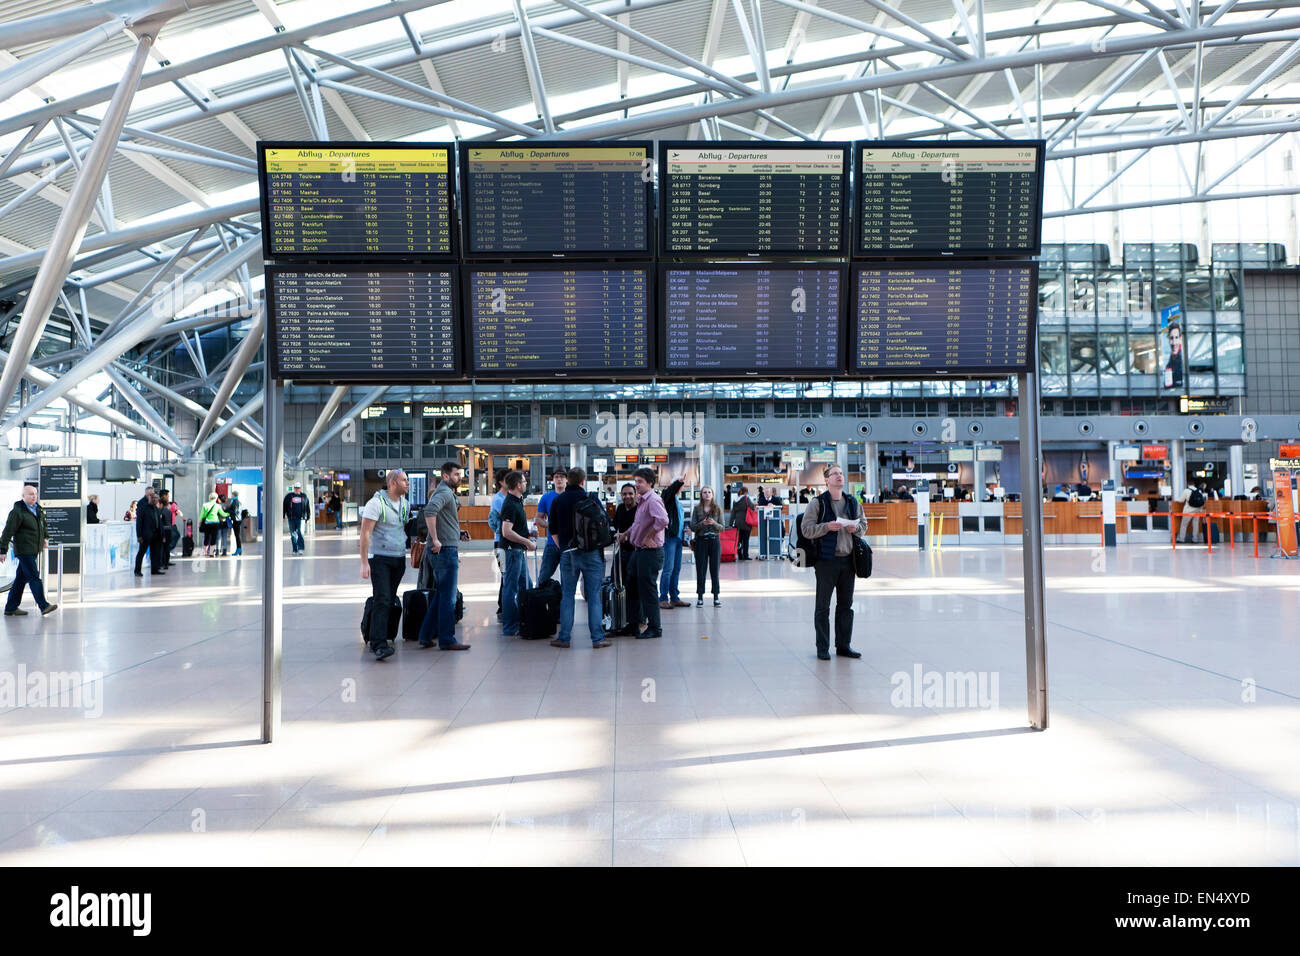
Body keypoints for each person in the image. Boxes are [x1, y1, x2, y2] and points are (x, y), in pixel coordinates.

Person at [800, 464, 867, 661]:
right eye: (834, 473)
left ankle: (844, 645)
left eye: (841, 473)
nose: (839, 476)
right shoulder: (817, 503)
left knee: (846, 605)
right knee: (823, 606)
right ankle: (823, 647)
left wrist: (857, 529)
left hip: (849, 561)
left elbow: (864, 525)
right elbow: (806, 529)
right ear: (826, 480)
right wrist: (827, 527)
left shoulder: (853, 502)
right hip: (826, 561)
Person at [547, 467, 612, 649]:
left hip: (568, 554)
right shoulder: (591, 499)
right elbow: (605, 523)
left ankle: (565, 637)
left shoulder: (558, 501)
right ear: (583, 481)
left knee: (567, 596)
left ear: (568, 480)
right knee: (593, 597)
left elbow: (553, 530)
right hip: (591, 553)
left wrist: (564, 548)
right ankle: (598, 639)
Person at [359, 468, 411, 661]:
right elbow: (365, 533)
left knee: (388, 599)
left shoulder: (405, 504)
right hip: (380, 558)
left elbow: (402, 528)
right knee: (382, 598)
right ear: (392, 483)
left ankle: (381, 634)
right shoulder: (375, 503)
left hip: (398, 559)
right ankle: (378, 644)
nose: (407, 483)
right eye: (404, 480)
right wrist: (364, 562)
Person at [418, 462, 470, 651]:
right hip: (444, 551)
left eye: (460, 474)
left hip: (447, 546)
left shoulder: (447, 492)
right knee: (448, 598)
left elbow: (443, 518)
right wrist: (436, 539)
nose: (459, 477)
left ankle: (425, 634)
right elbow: (430, 511)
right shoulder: (445, 492)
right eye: (456, 474)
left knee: (442, 595)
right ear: (446, 476)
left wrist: (457, 533)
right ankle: (447, 639)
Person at [622, 467, 668, 639]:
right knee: (632, 586)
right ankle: (634, 623)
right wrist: (626, 534)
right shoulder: (642, 500)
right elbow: (638, 524)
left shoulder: (653, 500)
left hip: (650, 552)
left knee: (648, 590)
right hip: (638, 551)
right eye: (636, 481)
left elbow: (663, 520)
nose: (637, 485)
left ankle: (655, 627)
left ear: (650, 483)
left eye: (640, 482)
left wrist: (650, 536)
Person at [2, 484, 58, 617]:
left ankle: (11, 607)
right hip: (24, 549)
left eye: (35, 494)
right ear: (23, 496)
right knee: (33, 576)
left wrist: (45, 537)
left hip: (34, 549)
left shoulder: (38, 509)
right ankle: (43, 605)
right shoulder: (18, 512)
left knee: (21, 579)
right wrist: (2, 549)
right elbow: (7, 531)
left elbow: (43, 525)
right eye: (30, 494)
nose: (34, 496)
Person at [497, 470, 535, 637]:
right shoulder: (511, 504)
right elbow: (506, 532)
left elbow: (515, 528)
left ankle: (520, 619)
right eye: (524, 482)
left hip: (517, 551)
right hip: (511, 551)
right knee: (510, 588)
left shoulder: (517, 502)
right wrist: (526, 541)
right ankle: (510, 626)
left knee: (526, 585)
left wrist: (528, 534)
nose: (526, 484)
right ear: (518, 485)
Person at [690, 485, 723, 607]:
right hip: (701, 541)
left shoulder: (718, 509)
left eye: (709, 492)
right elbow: (692, 527)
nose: (707, 494)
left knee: (715, 569)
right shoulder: (697, 509)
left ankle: (716, 596)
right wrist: (702, 524)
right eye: (704, 492)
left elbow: (723, 528)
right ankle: (700, 596)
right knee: (701, 569)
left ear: (712, 495)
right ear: (701, 495)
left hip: (714, 541)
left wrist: (714, 523)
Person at [534, 466, 568, 584]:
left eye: (562, 477)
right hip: (551, 544)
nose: (559, 479)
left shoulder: (571, 496)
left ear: (567, 479)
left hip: (568, 545)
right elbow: (538, 518)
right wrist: (551, 525)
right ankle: (540, 599)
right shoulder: (546, 498)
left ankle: (565, 602)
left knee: (567, 580)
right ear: (553, 480)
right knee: (543, 577)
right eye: (556, 477)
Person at [658, 478, 689, 610]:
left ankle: (674, 597)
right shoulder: (666, 496)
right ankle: (663, 598)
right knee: (668, 569)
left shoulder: (677, 501)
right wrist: (679, 482)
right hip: (669, 538)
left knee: (676, 569)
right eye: (678, 484)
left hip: (678, 538)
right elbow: (669, 492)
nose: (681, 487)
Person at [612, 482, 638, 619]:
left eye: (630, 494)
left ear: (636, 495)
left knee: (633, 586)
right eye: (624, 494)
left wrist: (626, 538)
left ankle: (635, 618)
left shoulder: (639, 510)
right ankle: (621, 616)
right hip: (621, 553)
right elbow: (614, 525)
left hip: (635, 553)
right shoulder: (621, 508)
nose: (627, 496)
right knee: (617, 583)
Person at [487, 468, 508, 621]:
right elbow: (508, 516)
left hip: (507, 541)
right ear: (501, 482)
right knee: (505, 574)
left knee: (507, 575)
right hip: (500, 542)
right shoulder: (498, 499)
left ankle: (504, 607)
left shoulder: (508, 497)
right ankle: (502, 608)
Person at [134, 488, 164, 576]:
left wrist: (162, 535)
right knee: (141, 552)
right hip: (145, 535)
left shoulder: (156, 509)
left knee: (155, 553)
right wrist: (139, 536)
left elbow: (160, 522)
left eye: (156, 498)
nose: (154, 500)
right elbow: (139, 523)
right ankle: (137, 570)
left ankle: (155, 569)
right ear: (149, 498)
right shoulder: (143, 508)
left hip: (156, 535)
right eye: (152, 498)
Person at [283, 482, 309, 555]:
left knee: (300, 533)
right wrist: (283, 516)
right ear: (293, 488)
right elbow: (284, 506)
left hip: (301, 518)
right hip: (291, 518)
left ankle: (300, 548)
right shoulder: (289, 496)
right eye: (295, 488)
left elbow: (307, 507)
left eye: (298, 488)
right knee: (293, 534)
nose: (297, 489)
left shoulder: (304, 496)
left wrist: (308, 517)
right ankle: (294, 549)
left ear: (300, 488)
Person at [198, 492, 227, 557]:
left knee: (206, 537)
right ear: (216, 498)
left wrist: (199, 522)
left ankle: (205, 552)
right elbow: (223, 514)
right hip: (215, 523)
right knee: (214, 538)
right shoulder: (218, 506)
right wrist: (228, 514)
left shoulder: (205, 505)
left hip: (207, 523)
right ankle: (211, 553)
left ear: (209, 498)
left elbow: (202, 515)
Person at [729, 485, 753, 560]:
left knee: (739, 540)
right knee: (746, 540)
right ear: (746, 492)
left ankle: (739, 555)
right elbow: (752, 507)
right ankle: (745, 555)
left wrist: (731, 523)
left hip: (738, 523)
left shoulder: (735, 500)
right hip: (746, 522)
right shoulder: (746, 499)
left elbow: (733, 513)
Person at [156, 490, 174, 569]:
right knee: (167, 547)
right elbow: (170, 521)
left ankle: (161, 563)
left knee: (161, 548)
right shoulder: (169, 512)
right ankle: (166, 563)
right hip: (169, 530)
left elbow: (160, 523)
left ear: (160, 504)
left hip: (162, 530)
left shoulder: (159, 512)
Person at [227, 490, 242, 556]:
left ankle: (239, 549)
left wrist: (227, 510)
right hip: (239, 520)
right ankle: (239, 550)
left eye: (232, 495)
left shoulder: (234, 502)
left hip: (236, 521)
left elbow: (233, 511)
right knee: (237, 535)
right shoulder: (239, 502)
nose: (231, 496)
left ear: (234, 495)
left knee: (237, 535)